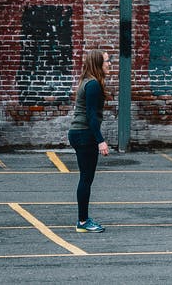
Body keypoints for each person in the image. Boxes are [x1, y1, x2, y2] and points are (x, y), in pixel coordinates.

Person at [68, 49, 110, 233]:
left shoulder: (87, 82)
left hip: (79, 133)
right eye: (107, 61)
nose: (110, 64)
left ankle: (83, 219)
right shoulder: (93, 85)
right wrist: (100, 140)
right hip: (84, 134)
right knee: (86, 178)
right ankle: (83, 222)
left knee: (86, 178)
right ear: (98, 64)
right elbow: (92, 116)